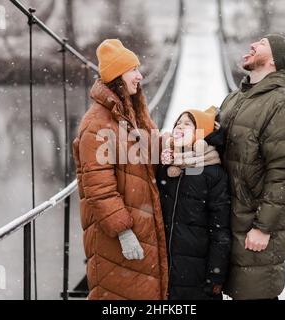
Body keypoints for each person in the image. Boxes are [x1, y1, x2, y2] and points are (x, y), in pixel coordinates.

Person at [72, 39, 168, 300]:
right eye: (133, 70)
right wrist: (123, 232)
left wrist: (184, 145)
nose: (140, 76)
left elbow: (148, 153)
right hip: (119, 235)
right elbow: (99, 188)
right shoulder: (97, 123)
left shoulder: (128, 114)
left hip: (141, 226)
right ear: (117, 76)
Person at [219, 34, 285, 300]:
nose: (252, 45)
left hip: (253, 226)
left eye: (262, 44)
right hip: (230, 220)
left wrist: (263, 227)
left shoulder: (283, 103)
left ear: (274, 62)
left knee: (255, 293)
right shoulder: (235, 98)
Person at [156, 107, 231, 300]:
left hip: (198, 273)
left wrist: (216, 274)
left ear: (201, 133)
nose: (180, 127)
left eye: (187, 124)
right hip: (164, 271)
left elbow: (220, 229)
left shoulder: (212, 174)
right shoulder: (166, 168)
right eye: (177, 123)